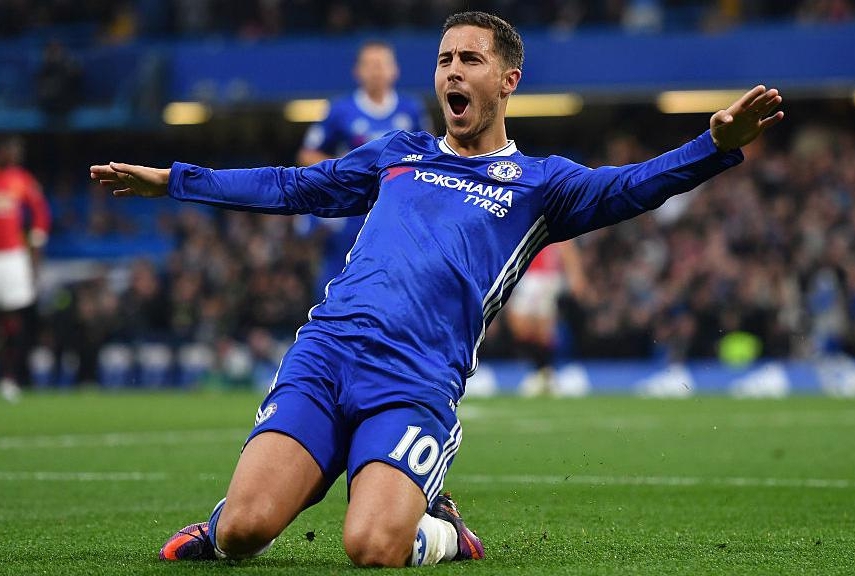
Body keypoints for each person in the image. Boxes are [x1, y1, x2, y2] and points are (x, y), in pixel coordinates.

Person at [91, 11, 784, 568]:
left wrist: (713, 146)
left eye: (470, 60)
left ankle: (445, 531)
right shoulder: (400, 153)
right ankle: (226, 522)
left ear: (507, 81)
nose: (453, 70)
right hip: (327, 356)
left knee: (372, 547)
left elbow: (631, 187)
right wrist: (175, 180)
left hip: (415, 380)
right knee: (243, 533)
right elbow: (293, 185)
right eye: (445, 59)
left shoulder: (542, 184)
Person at [297, 40, 432, 300]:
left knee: (393, 282)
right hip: (351, 210)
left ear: (395, 70)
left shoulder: (411, 109)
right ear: (357, 71)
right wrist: (348, 171)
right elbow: (307, 154)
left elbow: (428, 156)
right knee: (337, 281)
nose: (376, 71)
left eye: (382, 64)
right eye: (370, 65)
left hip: (395, 209)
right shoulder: (340, 110)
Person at [0, 136, 51, 402]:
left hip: (12, 257)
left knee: (14, 319)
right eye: (10, 149)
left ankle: (11, 377)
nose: (14, 154)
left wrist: (35, 252)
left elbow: (40, 215)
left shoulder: (22, 181)